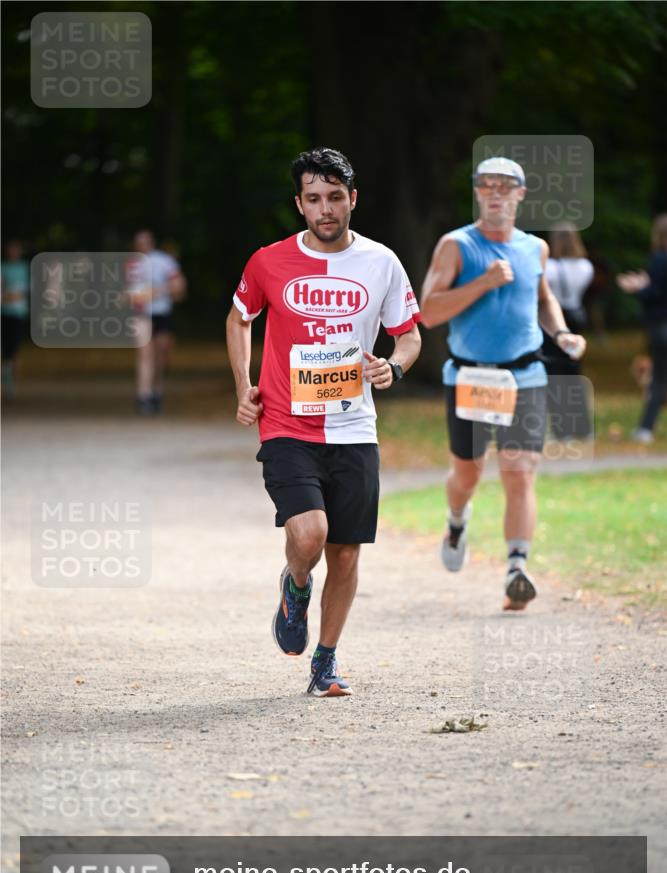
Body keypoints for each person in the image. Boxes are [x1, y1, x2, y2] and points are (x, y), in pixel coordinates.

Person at [226, 147, 421, 696]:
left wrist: (393, 367)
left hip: (354, 426)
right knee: (310, 534)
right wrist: (243, 386)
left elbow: (408, 335)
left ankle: (325, 663)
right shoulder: (268, 261)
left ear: (352, 199)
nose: (326, 208)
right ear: (300, 204)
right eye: (314, 199)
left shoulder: (381, 262)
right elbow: (240, 319)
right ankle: (295, 584)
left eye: (335, 197)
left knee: (347, 552)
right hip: (287, 423)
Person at [420, 157, 586, 610]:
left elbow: (543, 299)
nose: (495, 192)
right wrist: (484, 283)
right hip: (471, 376)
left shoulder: (535, 249)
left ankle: (517, 568)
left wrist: (561, 332)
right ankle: (457, 519)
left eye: (505, 185)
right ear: (477, 192)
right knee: (468, 473)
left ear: (521, 194)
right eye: (487, 184)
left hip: (525, 376)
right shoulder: (456, 246)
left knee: (519, 470)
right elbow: (428, 312)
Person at [617, 214, 667, 444]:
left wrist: (636, 288)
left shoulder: (659, 258)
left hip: (660, 325)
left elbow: (655, 293)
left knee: (658, 379)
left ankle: (646, 428)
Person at [542, 223, 594, 439]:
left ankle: (561, 429)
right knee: (574, 374)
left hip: (555, 322)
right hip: (576, 318)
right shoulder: (586, 266)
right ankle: (583, 427)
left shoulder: (549, 267)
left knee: (555, 374)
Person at [128, 230, 187, 415]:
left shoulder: (164, 261)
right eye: (139, 242)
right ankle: (143, 395)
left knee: (161, 355)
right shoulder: (130, 263)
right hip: (141, 315)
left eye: (145, 242)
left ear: (152, 243)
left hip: (162, 313)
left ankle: (157, 390)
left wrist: (157, 291)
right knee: (145, 354)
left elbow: (179, 286)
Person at [1, 240, 30, 397]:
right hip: (3, 313)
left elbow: (24, 291)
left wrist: (8, 296)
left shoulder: (24, 268)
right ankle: (7, 383)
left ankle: (11, 386)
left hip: (17, 313)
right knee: (5, 350)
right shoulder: (2, 267)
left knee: (14, 350)